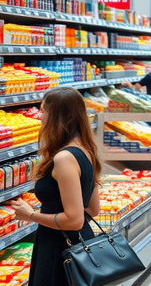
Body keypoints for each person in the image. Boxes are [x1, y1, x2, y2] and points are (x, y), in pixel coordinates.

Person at [9, 88, 100, 286]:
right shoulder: (86, 151)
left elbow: (74, 220)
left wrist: (30, 215)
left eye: (44, 111)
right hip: (80, 243)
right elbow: (93, 209)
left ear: (58, 117)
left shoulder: (64, 158)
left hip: (60, 247)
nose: (41, 118)